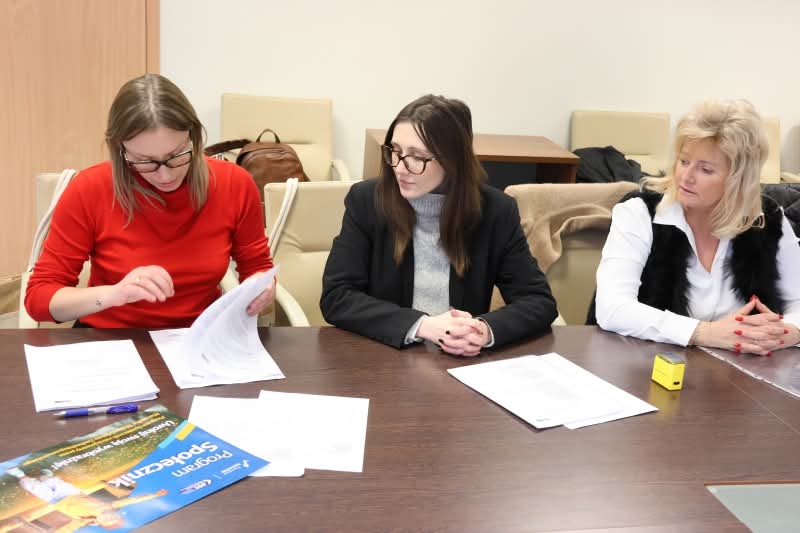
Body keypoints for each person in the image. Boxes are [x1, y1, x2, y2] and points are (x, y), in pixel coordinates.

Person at [25, 74, 274, 328]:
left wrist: (263, 289)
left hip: (197, 336)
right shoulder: (89, 189)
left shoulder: (234, 184)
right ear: (120, 150)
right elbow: (39, 298)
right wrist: (114, 294)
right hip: (109, 336)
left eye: (176, 155)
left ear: (193, 137)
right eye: (145, 161)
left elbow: (258, 267)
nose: (165, 175)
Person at [320, 94, 557, 355]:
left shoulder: (495, 211)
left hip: (459, 359)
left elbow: (538, 301)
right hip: (385, 356)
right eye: (395, 151)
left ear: (453, 161)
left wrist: (483, 330)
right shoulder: (367, 201)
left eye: (417, 157)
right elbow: (337, 297)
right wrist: (423, 326)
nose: (400, 167)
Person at [592, 99, 800, 354]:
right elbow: (612, 308)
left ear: (738, 179)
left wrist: (786, 333)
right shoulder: (639, 212)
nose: (686, 176)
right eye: (684, 161)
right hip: (645, 366)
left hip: (740, 371)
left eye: (705, 169)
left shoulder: (766, 219)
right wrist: (706, 333)